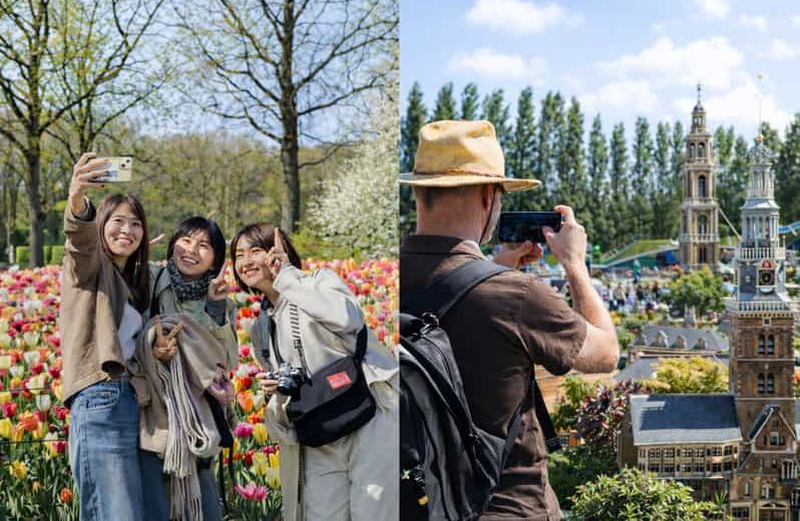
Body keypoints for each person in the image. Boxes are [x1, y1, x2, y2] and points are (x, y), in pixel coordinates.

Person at [399, 120, 619, 520]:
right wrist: (575, 265)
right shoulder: (516, 296)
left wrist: (491, 268)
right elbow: (605, 353)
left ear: (417, 190)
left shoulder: (384, 280)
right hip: (507, 507)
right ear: (489, 195)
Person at [230, 223, 398, 521]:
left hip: (368, 417)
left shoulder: (319, 281)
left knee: (372, 512)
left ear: (279, 252)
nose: (246, 262)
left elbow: (347, 319)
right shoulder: (260, 327)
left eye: (255, 250)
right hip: (319, 431)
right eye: (238, 255)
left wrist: (286, 276)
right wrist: (274, 387)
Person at [61, 152, 150, 521]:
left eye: (135, 223)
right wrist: (78, 199)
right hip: (100, 394)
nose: (126, 230)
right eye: (116, 221)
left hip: (126, 399)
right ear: (100, 225)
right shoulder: (90, 267)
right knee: (116, 513)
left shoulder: (128, 280)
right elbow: (79, 243)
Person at [139, 217, 238, 521]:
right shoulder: (149, 279)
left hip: (197, 417)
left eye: (203, 245)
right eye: (185, 240)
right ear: (172, 245)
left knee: (203, 507)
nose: (191, 249)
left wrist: (215, 308)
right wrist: (153, 346)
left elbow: (227, 361)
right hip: (155, 416)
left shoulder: (222, 302)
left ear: (215, 261)